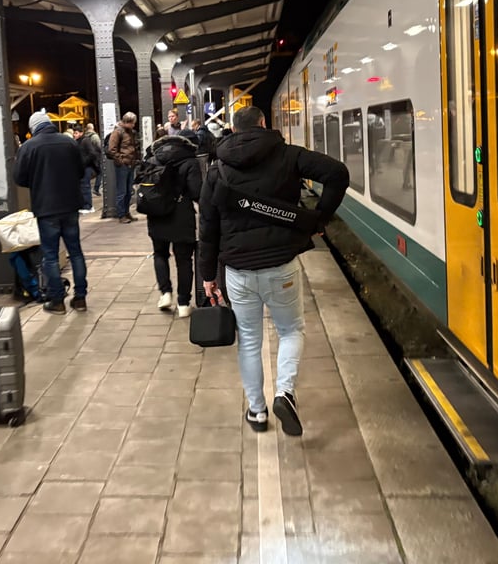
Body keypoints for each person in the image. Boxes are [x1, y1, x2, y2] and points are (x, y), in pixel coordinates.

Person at [199, 106, 349, 436]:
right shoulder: (288, 155)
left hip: (238, 271)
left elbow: (207, 227)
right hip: (281, 266)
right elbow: (337, 173)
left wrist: (208, 276)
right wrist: (318, 218)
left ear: (233, 130)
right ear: (264, 124)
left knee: (249, 341)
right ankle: (285, 393)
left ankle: (257, 412)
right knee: (291, 330)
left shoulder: (217, 169)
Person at [14, 112, 88, 314]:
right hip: (71, 205)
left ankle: (57, 301)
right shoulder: (69, 143)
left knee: (50, 256)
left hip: (46, 208)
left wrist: (37, 181)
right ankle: (80, 298)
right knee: (76, 252)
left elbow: (19, 178)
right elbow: (82, 171)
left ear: (33, 127)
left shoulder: (29, 146)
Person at [144, 131, 202, 317]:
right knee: (184, 260)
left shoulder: (153, 160)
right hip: (182, 215)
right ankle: (184, 303)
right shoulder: (190, 161)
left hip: (157, 214)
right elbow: (196, 192)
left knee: (160, 254)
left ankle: (165, 293)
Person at [107, 111, 141, 224]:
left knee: (128, 191)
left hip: (130, 164)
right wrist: (121, 161)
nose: (134, 125)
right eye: (132, 123)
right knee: (122, 191)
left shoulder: (130, 132)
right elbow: (112, 149)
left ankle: (126, 213)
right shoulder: (117, 132)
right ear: (127, 122)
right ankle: (121, 215)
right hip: (123, 165)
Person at [78, 122, 103, 213]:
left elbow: (91, 153)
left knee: (85, 186)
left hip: (86, 166)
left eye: (76, 133)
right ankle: (87, 205)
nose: (74, 135)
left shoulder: (84, 140)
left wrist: (84, 162)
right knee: (85, 186)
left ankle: (88, 206)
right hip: (88, 165)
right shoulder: (93, 137)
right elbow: (98, 149)